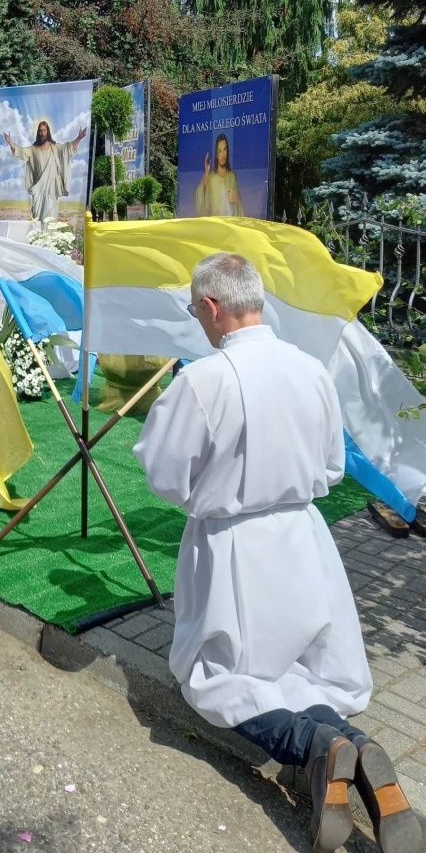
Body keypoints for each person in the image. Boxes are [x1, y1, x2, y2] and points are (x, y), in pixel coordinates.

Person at [133, 253, 420, 853]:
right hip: (302, 539)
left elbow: (164, 473)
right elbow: (334, 467)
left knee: (221, 677)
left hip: (233, 546)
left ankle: (317, 749)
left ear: (212, 306)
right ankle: (360, 751)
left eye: (196, 310)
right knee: (301, 669)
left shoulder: (204, 379)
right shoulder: (310, 369)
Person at [2, 121, 87, 224]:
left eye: (44, 130)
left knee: (50, 219)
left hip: (51, 189)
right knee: (37, 217)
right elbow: (20, 151)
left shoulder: (55, 147)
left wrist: (79, 137)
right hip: (38, 189)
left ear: (48, 131)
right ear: (38, 132)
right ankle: (37, 238)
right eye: (40, 131)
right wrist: (10, 141)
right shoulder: (33, 149)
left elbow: (68, 148)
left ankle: (49, 239)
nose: (42, 133)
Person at [194, 132, 244, 217]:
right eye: (219, 151)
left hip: (229, 226)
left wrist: (237, 200)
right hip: (215, 226)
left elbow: (240, 212)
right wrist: (205, 184)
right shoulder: (211, 178)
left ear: (228, 151)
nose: (223, 155)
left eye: (225, 149)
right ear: (216, 155)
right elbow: (201, 209)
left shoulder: (232, 176)